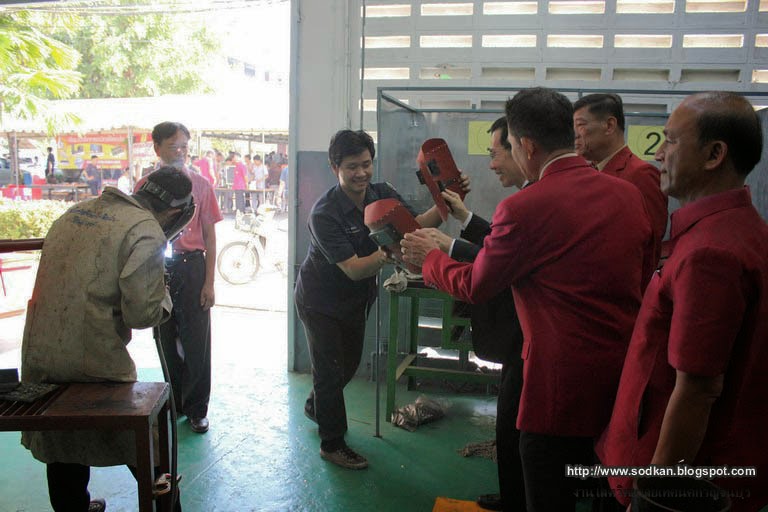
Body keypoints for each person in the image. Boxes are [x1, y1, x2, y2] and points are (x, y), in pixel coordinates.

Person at [401, 87, 654, 511]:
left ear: (528, 146)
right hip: (617, 381)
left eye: (510, 148)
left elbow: (477, 284)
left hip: (555, 390)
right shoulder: (627, 195)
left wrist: (430, 259)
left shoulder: (524, 207)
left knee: (547, 490)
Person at [596, 92, 768, 511]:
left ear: (714, 155)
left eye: (670, 141)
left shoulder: (711, 254)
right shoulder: (739, 230)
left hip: (674, 474)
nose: (658, 154)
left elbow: (697, 389)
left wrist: (655, 496)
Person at [21, 166, 195, 512]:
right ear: (174, 214)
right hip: (93, 366)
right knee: (147, 449)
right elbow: (142, 315)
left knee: (63, 445)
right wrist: (163, 296)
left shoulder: (78, 211)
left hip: (38, 358)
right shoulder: (145, 230)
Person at [294, 129, 469, 470]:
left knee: (346, 366)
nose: (361, 173)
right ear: (334, 168)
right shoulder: (324, 213)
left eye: (366, 164)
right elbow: (354, 269)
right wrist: (391, 252)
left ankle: (317, 405)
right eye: (351, 167)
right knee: (329, 371)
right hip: (320, 301)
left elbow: (414, 225)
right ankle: (332, 443)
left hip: (356, 299)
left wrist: (446, 203)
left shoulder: (381, 193)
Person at [417, 117, 529, 512]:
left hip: (528, 340)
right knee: (511, 425)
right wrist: (463, 216)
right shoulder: (533, 197)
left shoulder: (527, 204)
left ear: (523, 147)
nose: (491, 164)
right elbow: (501, 247)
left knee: (518, 426)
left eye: (495, 154)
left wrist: (441, 252)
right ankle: (514, 495)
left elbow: (490, 268)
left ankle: (519, 499)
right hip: (524, 340)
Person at [136, 122, 223, 434]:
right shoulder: (144, 187)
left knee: (197, 341)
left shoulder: (201, 185)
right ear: (157, 148)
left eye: (185, 146)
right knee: (165, 338)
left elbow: (210, 237)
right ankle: (175, 403)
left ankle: (198, 409)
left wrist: (209, 282)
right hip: (159, 268)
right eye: (174, 146)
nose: (180, 152)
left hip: (192, 266)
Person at [573, 93, 669, 262]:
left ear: (609, 125)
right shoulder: (588, 172)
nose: (575, 134)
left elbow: (650, 245)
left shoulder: (641, 175)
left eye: (580, 125)